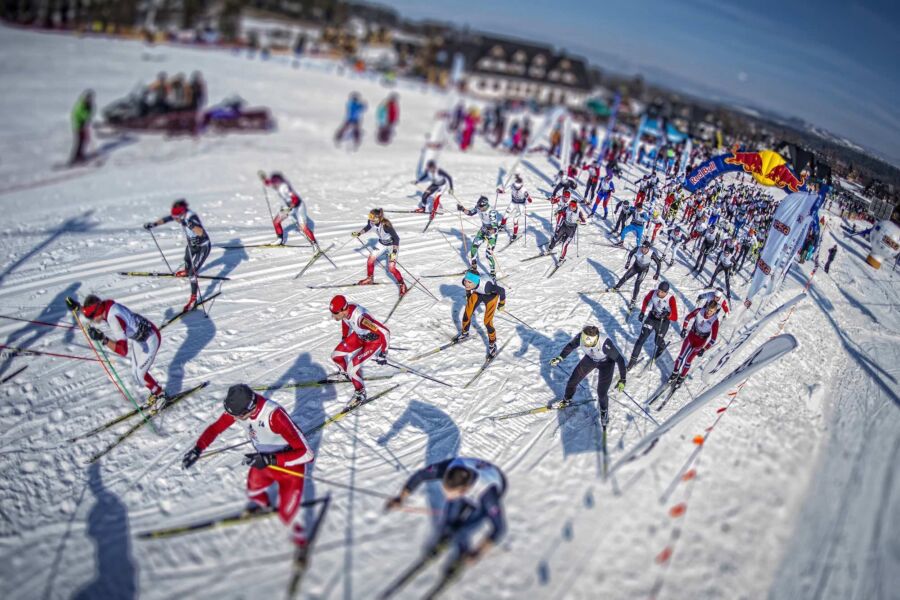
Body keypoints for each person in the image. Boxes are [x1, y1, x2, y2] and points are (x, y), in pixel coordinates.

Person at [181, 384, 314, 548]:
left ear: (248, 409)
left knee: (288, 517)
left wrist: (270, 459)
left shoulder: (274, 416)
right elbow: (216, 428)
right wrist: (198, 448)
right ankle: (265, 508)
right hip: (265, 461)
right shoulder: (239, 407)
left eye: (236, 416)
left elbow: (307, 454)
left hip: (290, 467)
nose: (233, 418)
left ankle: (301, 542)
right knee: (254, 490)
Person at [384, 457, 507, 576]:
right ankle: (445, 536)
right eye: (445, 489)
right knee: (448, 517)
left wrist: (478, 552)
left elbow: (499, 528)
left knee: (465, 530)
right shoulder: (448, 467)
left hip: (485, 491)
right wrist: (401, 497)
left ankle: (461, 555)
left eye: (450, 493)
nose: (446, 496)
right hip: (467, 484)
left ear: (463, 491)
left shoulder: (488, 496)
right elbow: (420, 475)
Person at [67, 294, 166, 405]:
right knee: (136, 374)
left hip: (150, 339)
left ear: (98, 312)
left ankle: (160, 395)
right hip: (140, 338)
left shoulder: (114, 319)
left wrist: (103, 338)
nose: (92, 320)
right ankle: (154, 391)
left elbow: (123, 351)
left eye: (91, 317)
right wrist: (78, 307)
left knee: (140, 375)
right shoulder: (105, 306)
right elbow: (89, 309)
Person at [548, 325, 626, 427]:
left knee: (601, 393)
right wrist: (560, 358)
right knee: (572, 381)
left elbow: (619, 359)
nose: (585, 345)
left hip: (606, 364)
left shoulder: (605, 343)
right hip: (590, 359)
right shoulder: (581, 337)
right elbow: (571, 346)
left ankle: (604, 412)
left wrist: (623, 379)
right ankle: (567, 400)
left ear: (595, 339)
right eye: (585, 344)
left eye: (589, 345)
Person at [145, 199, 210, 311]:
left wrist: (189, 224)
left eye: (176, 217)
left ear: (182, 213)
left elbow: (201, 232)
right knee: (187, 259)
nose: (174, 219)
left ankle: (193, 298)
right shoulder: (179, 216)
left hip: (203, 246)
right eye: (174, 217)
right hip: (192, 245)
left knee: (192, 272)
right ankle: (187, 271)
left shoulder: (191, 217)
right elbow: (166, 219)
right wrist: (153, 224)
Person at [329, 295, 390, 408]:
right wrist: (344, 337)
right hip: (359, 336)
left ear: (343, 309)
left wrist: (383, 353)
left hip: (372, 342)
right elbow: (345, 321)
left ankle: (360, 393)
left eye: (335, 313)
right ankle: (344, 374)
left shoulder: (362, 319)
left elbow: (385, 332)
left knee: (352, 369)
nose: (333, 316)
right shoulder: (345, 312)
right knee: (335, 356)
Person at [258, 170, 320, 251]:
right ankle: (279, 240)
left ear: (279, 181)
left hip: (299, 207)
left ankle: (315, 245)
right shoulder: (277, 183)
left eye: (275, 183)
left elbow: (295, 198)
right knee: (276, 221)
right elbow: (268, 182)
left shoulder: (285, 187)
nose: (273, 184)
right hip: (289, 206)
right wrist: (264, 179)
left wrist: (292, 206)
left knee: (303, 227)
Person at [352, 208, 407, 295]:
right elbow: (368, 227)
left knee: (391, 268)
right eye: (370, 216)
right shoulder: (371, 222)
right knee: (370, 260)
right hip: (381, 244)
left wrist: (394, 252)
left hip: (392, 245)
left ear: (377, 218)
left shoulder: (386, 225)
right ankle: (370, 278)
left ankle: (402, 284)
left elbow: (396, 238)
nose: (370, 218)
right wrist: (359, 233)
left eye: (372, 217)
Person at [627, 281, 679, 369]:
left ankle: (661, 346)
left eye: (663, 292)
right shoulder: (653, 293)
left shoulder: (671, 298)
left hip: (663, 321)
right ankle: (632, 361)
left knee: (657, 341)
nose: (660, 293)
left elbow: (675, 317)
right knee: (641, 339)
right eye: (659, 290)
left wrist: (667, 314)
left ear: (666, 292)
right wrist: (642, 312)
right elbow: (646, 300)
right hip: (652, 318)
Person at [455, 270, 505, 358]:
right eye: (466, 280)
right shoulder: (466, 282)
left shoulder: (488, 286)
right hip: (478, 293)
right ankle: (465, 333)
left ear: (475, 281)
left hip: (491, 296)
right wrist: (469, 297)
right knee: (467, 313)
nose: (466, 283)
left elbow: (502, 290)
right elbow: (468, 288)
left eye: (469, 282)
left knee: (487, 321)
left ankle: (492, 345)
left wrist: (501, 304)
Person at [671, 299, 721, 384]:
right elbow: (688, 317)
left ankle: (682, 376)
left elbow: (713, 339)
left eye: (711, 311)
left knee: (688, 360)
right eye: (708, 309)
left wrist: (704, 349)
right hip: (691, 336)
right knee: (681, 356)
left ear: (715, 311)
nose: (708, 312)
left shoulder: (715, 321)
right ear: (707, 307)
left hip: (700, 343)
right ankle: (675, 373)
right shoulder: (700, 311)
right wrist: (684, 329)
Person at [607, 239, 662, 308]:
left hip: (644, 270)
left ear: (648, 248)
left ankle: (633, 300)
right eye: (642, 247)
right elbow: (630, 254)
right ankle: (616, 288)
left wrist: (657, 273)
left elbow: (658, 263)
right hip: (635, 267)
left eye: (645, 249)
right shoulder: (638, 249)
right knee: (625, 277)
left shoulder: (651, 253)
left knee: (637, 284)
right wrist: (628, 262)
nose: (643, 250)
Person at [457, 196, 501, 277]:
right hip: (483, 230)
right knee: (474, 247)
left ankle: (492, 272)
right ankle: (474, 268)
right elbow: (470, 213)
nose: (479, 208)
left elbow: (495, 227)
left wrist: (491, 231)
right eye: (478, 206)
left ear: (485, 206)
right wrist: (462, 209)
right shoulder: (478, 207)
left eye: (480, 207)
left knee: (488, 254)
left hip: (491, 234)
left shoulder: (491, 212)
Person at [498, 173, 531, 241]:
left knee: (515, 220)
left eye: (518, 188)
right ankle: (501, 226)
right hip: (513, 203)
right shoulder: (513, 186)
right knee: (505, 215)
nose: (516, 189)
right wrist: (500, 191)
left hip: (520, 205)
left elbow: (530, 201)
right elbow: (505, 191)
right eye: (516, 187)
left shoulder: (524, 190)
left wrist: (527, 198)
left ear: (521, 186)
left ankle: (515, 235)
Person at [70, 90, 94, 165]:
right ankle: (75, 158)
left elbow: (89, 114)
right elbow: (77, 114)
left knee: (85, 140)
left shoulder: (89, 105)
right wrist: (83, 121)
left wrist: (87, 119)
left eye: (90, 98)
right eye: (88, 98)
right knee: (80, 142)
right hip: (78, 125)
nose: (89, 99)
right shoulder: (80, 105)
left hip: (84, 125)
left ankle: (81, 155)